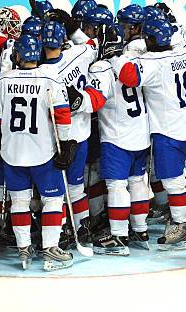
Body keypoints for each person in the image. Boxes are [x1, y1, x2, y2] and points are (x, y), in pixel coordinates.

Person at [110, 19, 186, 250]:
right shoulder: (183, 55)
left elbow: (128, 76)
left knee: (173, 181)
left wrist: (117, 55)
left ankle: (181, 226)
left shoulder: (151, 61)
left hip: (168, 131)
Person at [0, 33, 75, 271]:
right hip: (43, 152)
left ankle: (24, 248)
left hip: (12, 153)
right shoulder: (50, 78)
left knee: (19, 201)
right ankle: (51, 247)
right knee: (53, 200)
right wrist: (65, 144)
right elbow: (63, 114)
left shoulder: (4, 80)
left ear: (17, 55)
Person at [40, 14, 106, 246]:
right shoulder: (78, 53)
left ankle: (62, 231)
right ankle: (82, 227)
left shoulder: (42, 74)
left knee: (55, 192)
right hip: (82, 133)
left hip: (55, 139)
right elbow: (92, 45)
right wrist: (72, 28)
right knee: (76, 187)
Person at [87, 23, 152, 255]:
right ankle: (141, 230)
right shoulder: (133, 61)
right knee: (137, 181)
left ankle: (118, 236)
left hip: (116, 137)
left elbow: (95, 101)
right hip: (141, 134)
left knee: (117, 186)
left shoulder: (101, 68)